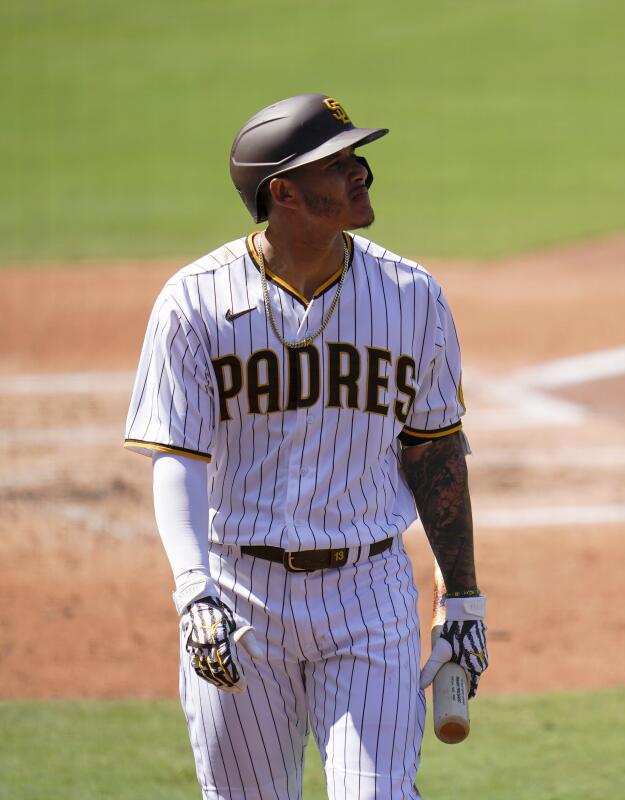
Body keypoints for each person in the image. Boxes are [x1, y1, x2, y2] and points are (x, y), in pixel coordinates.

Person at [124, 93, 488, 799]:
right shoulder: (193, 303)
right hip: (238, 595)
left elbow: (434, 451)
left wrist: (464, 599)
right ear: (282, 191)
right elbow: (178, 455)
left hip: (368, 592)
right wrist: (194, 591)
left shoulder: (413, 297)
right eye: (339, 162)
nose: (362, 173)